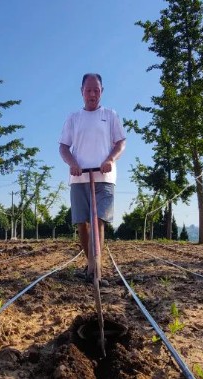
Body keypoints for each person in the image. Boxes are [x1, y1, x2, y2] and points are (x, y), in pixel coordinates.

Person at [59, 73, 126, 286]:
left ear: (102, 91)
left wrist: (110, 159)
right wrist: (73, 164)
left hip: (104, 177)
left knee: (98, 221)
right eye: (88, 90)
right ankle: (91, 264)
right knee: (82, 223)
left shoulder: (110, 115)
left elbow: (120, 143)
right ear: (81, 92)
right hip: (79, 178)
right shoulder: (73, 118)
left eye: (96, 90)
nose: (92, 94)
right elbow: (63, 147)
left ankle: (96, 268)